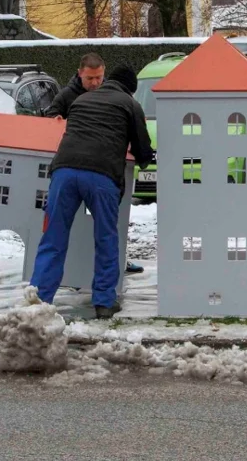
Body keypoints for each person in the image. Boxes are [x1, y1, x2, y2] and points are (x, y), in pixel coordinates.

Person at [26, 64, 154, 319]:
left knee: (53, 238)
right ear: (131, 89)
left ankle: (39, 300)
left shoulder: (82, 100)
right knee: (106, 238)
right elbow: (142, 151)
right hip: (101, 175)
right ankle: (104, 302)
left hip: (63, 172)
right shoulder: (130, 105)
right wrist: (144, 157)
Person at [43, 53, 146, 275]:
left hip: (68, 169)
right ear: (80, 74)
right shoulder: (68, 96)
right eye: (90, 78)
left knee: (60, 236)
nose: (95, 83)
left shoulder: (88, 99)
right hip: (97, 170)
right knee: (104, 235)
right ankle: (103, 298)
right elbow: (50, 121)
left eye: (99, 77)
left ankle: (41, 295)